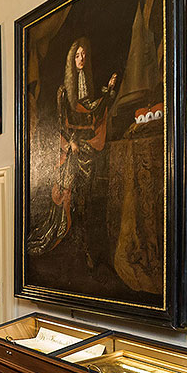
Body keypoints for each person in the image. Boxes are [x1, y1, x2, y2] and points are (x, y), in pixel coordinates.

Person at [27, 37, 118, 265]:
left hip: (89, 148)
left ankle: (86, 246)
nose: (81, 58)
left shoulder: (89, 87)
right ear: (71, 59)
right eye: (77, 55)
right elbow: (59, 123)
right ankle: (68, 240)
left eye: (84, 55)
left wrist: (109, 91)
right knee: (68, 195)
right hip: (73, 148)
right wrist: (71, 143)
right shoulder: (63, 91)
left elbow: (95, 109)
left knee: (88, 199)